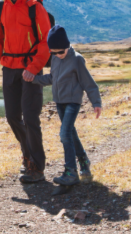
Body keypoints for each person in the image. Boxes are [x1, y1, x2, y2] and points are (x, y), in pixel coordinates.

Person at [0, 0, 51, 183]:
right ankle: (27, 154)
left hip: (30, 69)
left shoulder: (35, 8)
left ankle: (37, 167)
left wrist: (33, 69)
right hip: (9, 69)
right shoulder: (1, 7)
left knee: (31, 117)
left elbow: (45, 42)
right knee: (12, 116)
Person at [25, 25, 103, 185]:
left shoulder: (77, 59)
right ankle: (84, 162)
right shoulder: (55, 58)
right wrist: (34, 79)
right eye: (54, 52)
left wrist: (96, 101)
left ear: (67, 45)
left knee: (64, 134)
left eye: (61, 51)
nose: (58, 55)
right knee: (71, 134)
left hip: (72, 103)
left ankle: (70, 172)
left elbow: (88, 82)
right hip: (59, 102)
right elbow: (52, 78)